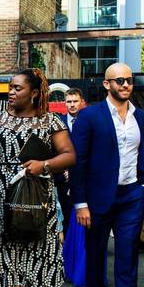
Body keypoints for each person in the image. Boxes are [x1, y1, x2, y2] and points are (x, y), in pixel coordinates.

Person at [0, 68, 75, 287]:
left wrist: (42, 165)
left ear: (34, 93)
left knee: (33, 257)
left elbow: (69, 155)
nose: (11, 92)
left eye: (17, 88)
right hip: (2, 199)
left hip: (35, 199)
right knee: (4, 257)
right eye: (10, 87)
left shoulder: (50, 121)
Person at [70, 63, 144, 287]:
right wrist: (80, 203)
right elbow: (77, 162)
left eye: (130, 80)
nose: (126, 85)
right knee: (95, 261)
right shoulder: (89, 116)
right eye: (120, 80)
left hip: (131, 196)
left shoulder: (140, 116)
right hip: (97, 200)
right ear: (107, 84)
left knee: (128, 263)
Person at [56, 88, 85, 232]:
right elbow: (53, 151)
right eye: (69, 102)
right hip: (63, 180)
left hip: (84, 178)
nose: (72, 105)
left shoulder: (88, 121)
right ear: (65, 103)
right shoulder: (58, 122)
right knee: (66, 218)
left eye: (75, 101)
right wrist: (64, 170)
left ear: (81, 102)